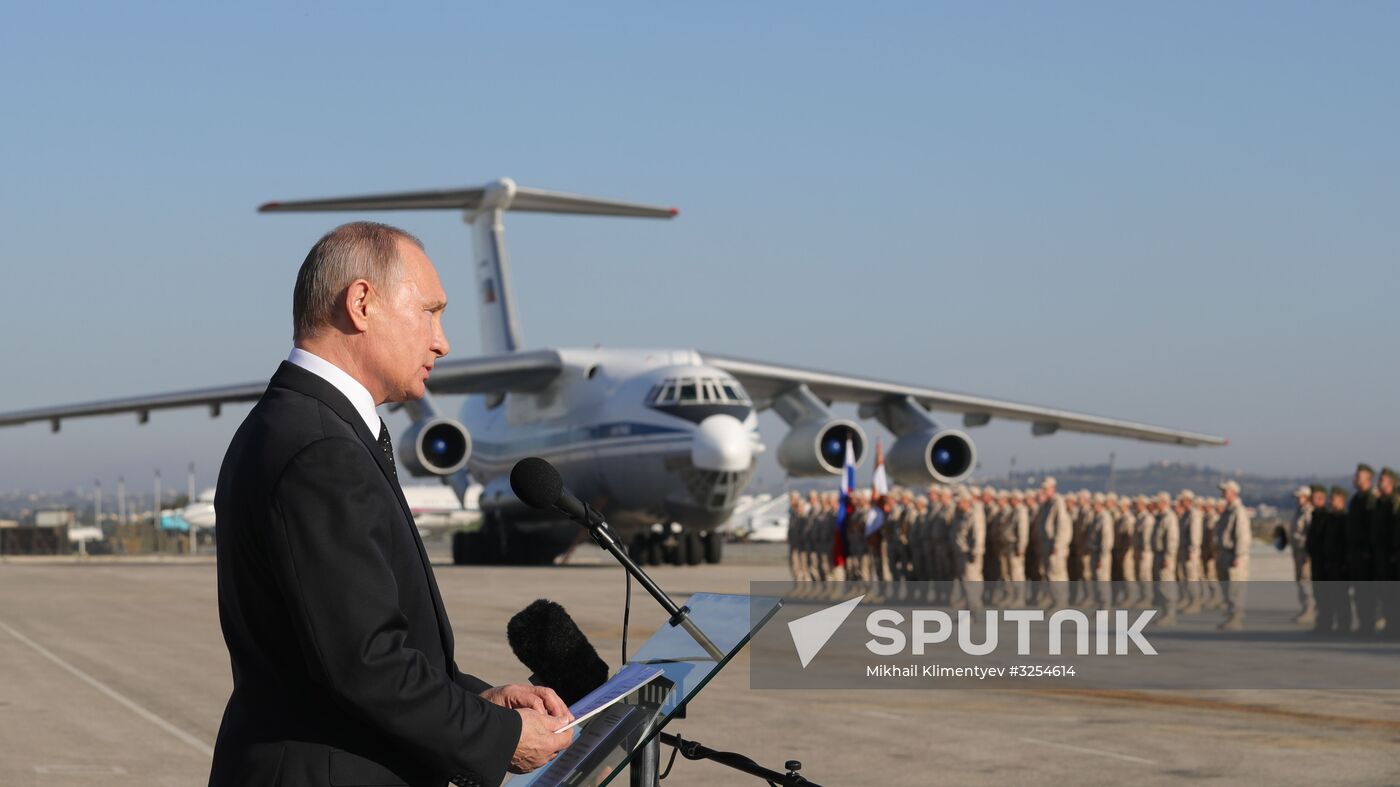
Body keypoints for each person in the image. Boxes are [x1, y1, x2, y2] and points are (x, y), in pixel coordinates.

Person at [209, 223, 571, 787]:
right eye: (429, 311)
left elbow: (348, 649)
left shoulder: (301, 425)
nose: (442, 341)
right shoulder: (321, 449)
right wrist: (499, 738)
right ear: (361, 303)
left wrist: (479, 700)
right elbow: (366, 664)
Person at [1214, 480, 1252, 630]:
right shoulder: (1228, 511)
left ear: (1234, 492)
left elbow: (1242, 536)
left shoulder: (1238, 511)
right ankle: (1231, 616)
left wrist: (1238, 555)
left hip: (1234, 555)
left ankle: (1236, 618)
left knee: (1235, 588)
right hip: (1225, 553)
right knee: (1227, 588)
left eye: (1225, 491)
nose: (1223, 493)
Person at [1348, 464, 1379, 634]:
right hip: (1356, 554)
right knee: (1359, 592)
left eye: (1358, 476)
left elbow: (1373, 528)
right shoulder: (1356, 500)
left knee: (1369, 592)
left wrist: (1369, 550)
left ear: (1368, 479)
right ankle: (1364, 623)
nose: (1354, 479)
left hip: (1368, 554)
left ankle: (1370, 623)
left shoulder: (1371, 499)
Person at [1289, 485, 1316, 624]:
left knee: (1305, 581)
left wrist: (1307, 551)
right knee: (1299, 580)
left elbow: (1310, 534)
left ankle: (1309, 609)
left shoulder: (1308, 512)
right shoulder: (1298, 512)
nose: (1298, 500)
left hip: (1304, 551)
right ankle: (1305, 607)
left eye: (1300, 497)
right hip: (1297, 551)